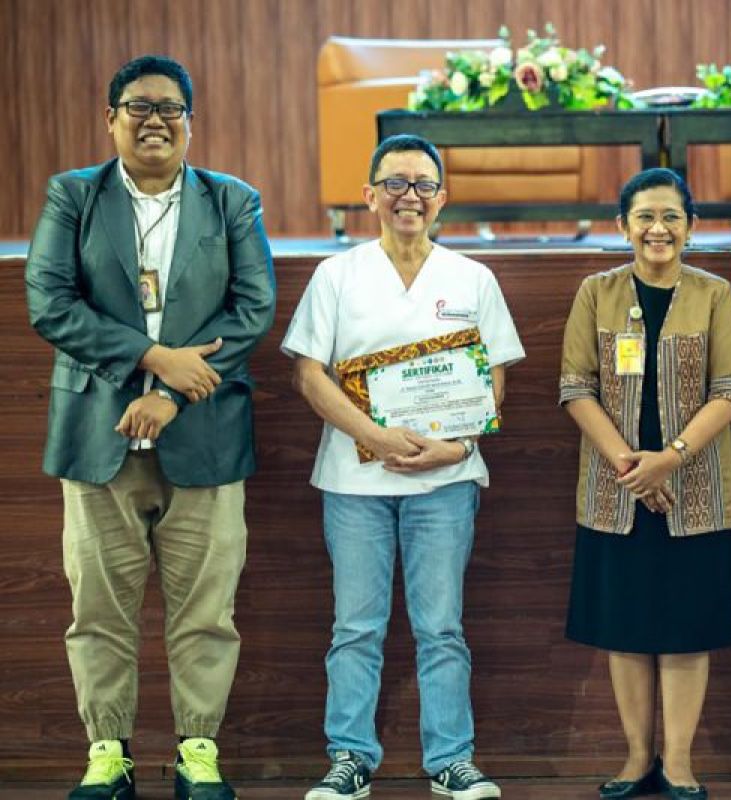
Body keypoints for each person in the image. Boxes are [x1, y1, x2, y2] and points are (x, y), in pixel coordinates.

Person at [25, 55, 276, 800]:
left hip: (205, 436)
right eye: (138, 106)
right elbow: (50, 302)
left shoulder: (233, 202)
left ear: (191, 123)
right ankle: (109, 755)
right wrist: (150, 354)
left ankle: (198, 753)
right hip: (97, 434)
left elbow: (252, 309)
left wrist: (170, 389)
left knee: (207, 611)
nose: (155, 119)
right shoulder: (73, 195)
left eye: (170, 108)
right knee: (97, 609)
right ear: (111, 119)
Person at [283, 134, 523, 800]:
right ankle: (351, 759)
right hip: (354, 483)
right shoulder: (338, 275)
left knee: (441, 626)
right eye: (394, 183)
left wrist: (459, 444)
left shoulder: (472, 277)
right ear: (369, 197)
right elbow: (309, 374)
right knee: (355, 627)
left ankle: (451, 760)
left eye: (422, 184)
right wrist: (376, 438)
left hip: (445, 484)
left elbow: (494, 378)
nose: (408, 196)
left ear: (442, 198)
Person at [559, 168, 731, 800]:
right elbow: (575, 386)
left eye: (671, 216)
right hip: (614, 493)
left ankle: (680, 763)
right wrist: (628, 465)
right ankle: (637, 758)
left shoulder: (715, 294)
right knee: (627, 628)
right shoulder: (597, 292)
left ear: (691, 227)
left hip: (699, 490)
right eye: (645, 216)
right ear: (623, 226)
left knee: (687, 629)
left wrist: (669, 459)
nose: (658, 229)